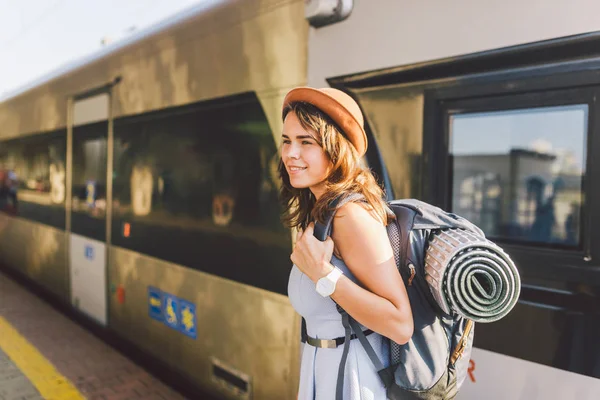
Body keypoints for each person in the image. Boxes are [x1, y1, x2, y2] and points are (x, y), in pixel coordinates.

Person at [281, 87, 414, 400]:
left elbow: (400, 323)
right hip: (325, 369)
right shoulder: (322, 211)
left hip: (353, 379)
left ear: (335, 149)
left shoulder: (350, 216)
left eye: (306, 142)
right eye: (287, 140)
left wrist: (322, 275)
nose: (290, 153)